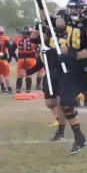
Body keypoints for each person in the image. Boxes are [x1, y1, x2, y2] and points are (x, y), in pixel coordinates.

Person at [37, 0, 87, 155]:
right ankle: (79, 138)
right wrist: (41, 3)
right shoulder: (68, 19)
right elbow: (48, 20)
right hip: (75, 69)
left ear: (86, 9)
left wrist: (73, 55)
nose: (74, 11)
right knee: (66, 101)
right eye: (72, 8)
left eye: (77, 8)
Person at [30, 11, 68, 141]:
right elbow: (34, 38)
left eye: (60, 19)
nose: (58, 21)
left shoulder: (71, 33)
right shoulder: (51, 32)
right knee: (50, 103)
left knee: (60, 101)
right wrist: (37, 26)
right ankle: (61, 119)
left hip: (64, 70)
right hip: (51, 70)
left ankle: (61, 130)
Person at [13, 26, 37, 93]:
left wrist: (15, 57)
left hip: (21, 59)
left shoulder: (18, 40)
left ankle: (18, 90)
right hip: (31, 59)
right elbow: (38, 49)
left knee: (19, 75)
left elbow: (11, 49)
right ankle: (28, 90)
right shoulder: (33, 41)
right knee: (29, 74)